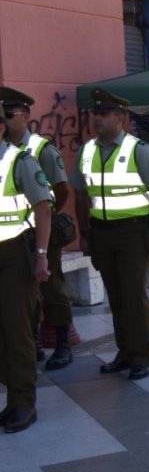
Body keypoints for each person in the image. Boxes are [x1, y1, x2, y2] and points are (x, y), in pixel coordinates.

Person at [72, 88, 149, 381]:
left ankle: (141, 355)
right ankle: (125, 351)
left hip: (132, 232)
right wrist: (84, 232)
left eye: (103, 114)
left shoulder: (138, 149)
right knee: (115, 297)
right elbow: (79, 193)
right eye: (95, 113)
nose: (96, 118)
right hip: (101, 233)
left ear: (121, 118)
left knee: (133, 295)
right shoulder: (87, 150)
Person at [0, 87, 75, 370]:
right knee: (22, 297)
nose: (5, 121)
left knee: (52, 287)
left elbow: (62, 190)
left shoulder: (41, 149)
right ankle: (33, 344)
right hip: (14, 238)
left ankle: (63, 344)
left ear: (26, 116)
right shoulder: (5, 151)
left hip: (39, 233)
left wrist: (51, 219)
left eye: (9, 115)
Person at [0, 104, 52, 432]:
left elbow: (44, 207)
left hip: (14, 255)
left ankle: (24, 403)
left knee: (17, 330)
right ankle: (11, 399)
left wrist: (42, 254)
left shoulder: (19, 160)